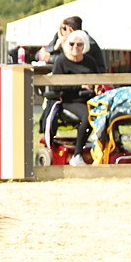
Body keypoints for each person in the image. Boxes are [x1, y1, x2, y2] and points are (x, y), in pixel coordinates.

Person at [46, 30, 100, 165]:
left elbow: (98, 78)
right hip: (70, 100)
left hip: (90, 98)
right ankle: (77, 155)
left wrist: (97, 87)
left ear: (85, 46)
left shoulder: (90, 61)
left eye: (79, 44)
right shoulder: (61, 62)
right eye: (72, 44)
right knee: (87, 116)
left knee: (109, 112)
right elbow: (56, 88)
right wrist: (80, 86)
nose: (75, 47)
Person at [39, 16, 105, 72]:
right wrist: (54, 47)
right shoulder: (60, 37)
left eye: (64, 29)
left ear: (70, 30)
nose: (61, 32)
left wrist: (50, 58)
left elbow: (73, 61)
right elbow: (38, 55)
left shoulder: (86, 42)